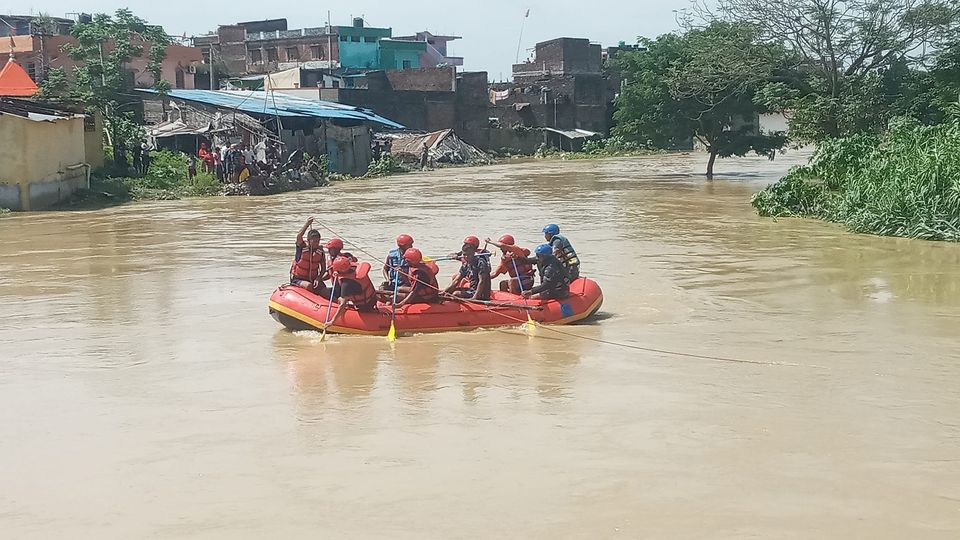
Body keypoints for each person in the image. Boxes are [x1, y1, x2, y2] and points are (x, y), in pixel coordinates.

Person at [325, 256, 380, 327]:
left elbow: (343, 304)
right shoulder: (355, 268)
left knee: (340, 298)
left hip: (364, 306)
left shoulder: (347, 283)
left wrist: (332, 321)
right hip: (372, 300)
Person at [443, 236, 491, 300]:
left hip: (482, 293)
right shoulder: (466, 264)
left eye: (468, 255)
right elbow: (456, 281)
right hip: (472, 289)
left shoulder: (480, 263)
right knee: (451, 291)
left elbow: (482, 281)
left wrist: (475, 298)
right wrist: (444, 292)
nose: (466, 257)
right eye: (464, 255)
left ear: (473, 253)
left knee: (456, 293)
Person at [289, 217, 328, 295]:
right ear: (309, 240)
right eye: (314, 241)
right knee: (309, 286)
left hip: (313, 279)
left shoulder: (320, 252)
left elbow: (323, 268)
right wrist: (307, 224)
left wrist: (318, 278)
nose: (316, 243)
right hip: (298, 279)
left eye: (318, 241)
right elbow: (299, 236)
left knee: (325, 291)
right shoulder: (302, 247)